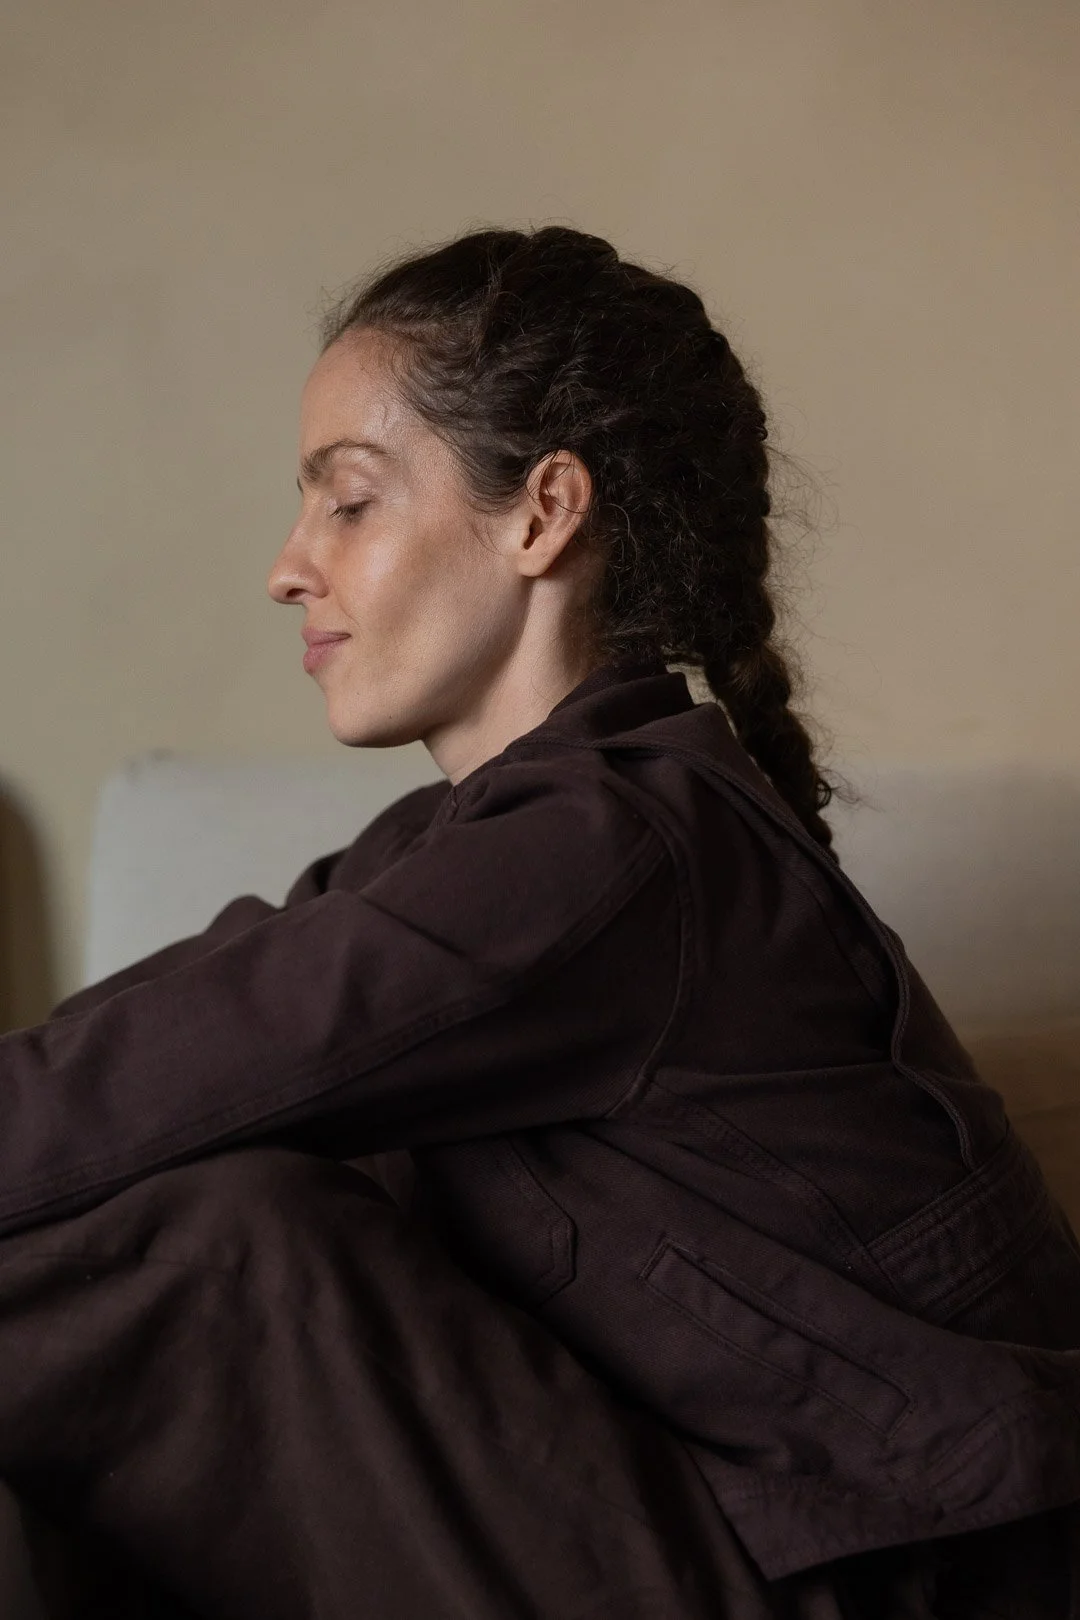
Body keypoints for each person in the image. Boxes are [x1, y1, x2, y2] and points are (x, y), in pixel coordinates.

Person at [3, 225, 1080, 1619]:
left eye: (348, 502)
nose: (288, 568)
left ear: (542, 513)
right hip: (712, 1543)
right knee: (204, 1202)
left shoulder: (613, 848)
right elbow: (143, 1053)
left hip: (880, 1582)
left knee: (234, 1251)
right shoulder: (454, 849)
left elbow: (143, 1083)